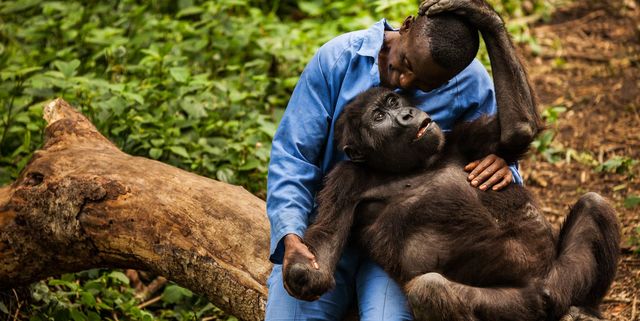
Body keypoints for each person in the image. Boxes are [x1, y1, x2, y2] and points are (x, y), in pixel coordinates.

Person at [265, 4, 522, 320]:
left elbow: (502, 143)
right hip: (328, 226)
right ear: (407, 25)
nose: (404, 84)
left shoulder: (467, 80)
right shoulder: (338, 59)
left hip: (404, 244)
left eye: (423, 85)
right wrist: (290, 234)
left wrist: (502, 164)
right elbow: (293, 156)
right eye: (404, 64)